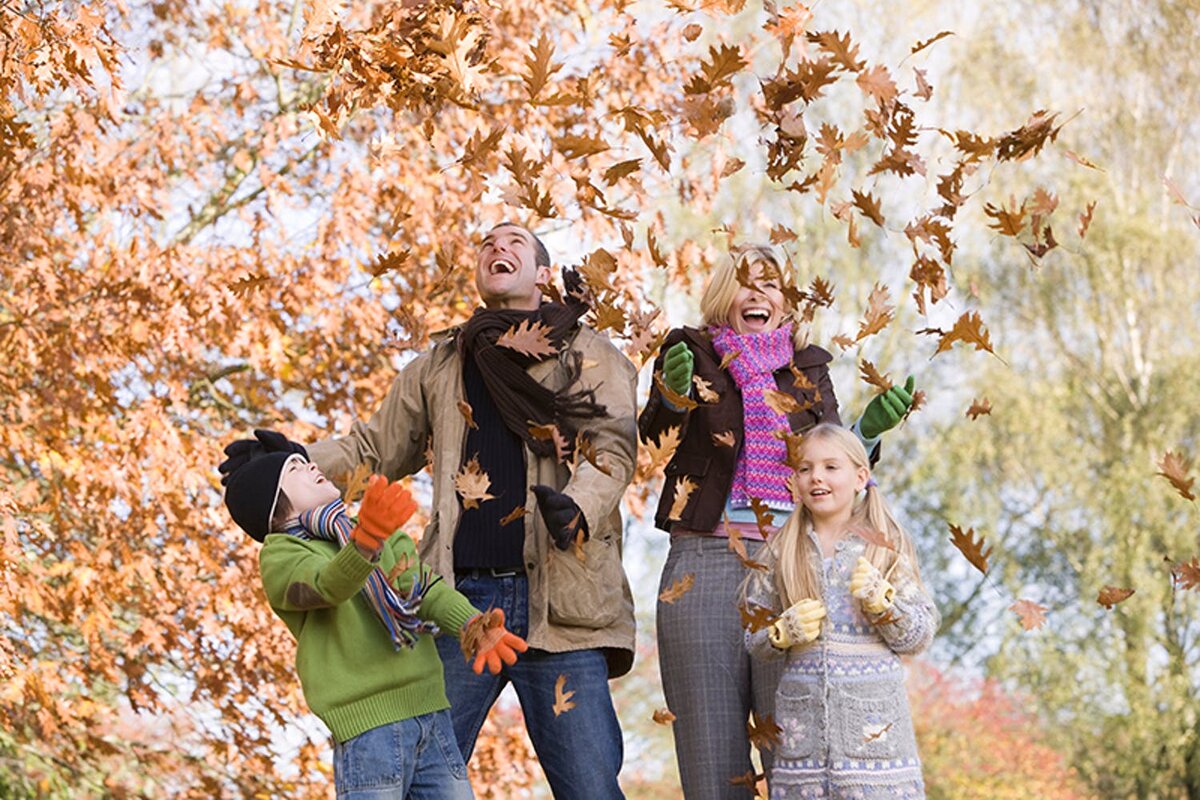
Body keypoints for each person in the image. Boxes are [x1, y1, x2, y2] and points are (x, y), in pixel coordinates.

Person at [301, 222, 639, 799]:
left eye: (513, 243)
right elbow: (371, 449)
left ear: (541, 273)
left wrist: (577, 507)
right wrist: (288, 461)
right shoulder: (441, 363)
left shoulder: (587, 353)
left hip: (561, 606)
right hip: (458, 606)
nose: (495, 249)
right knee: (418, 784)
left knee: (590, 789)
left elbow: (612, 445)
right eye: (486, 244)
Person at [638, 245, 916, 798]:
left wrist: (866, 432)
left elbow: (833, 460)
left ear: (785, 300)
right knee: (711, 760)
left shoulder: (808, 368)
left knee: (797, 752)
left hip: (791, 568)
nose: (758, 293)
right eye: (746, 282)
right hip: (702, 566)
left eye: (771, 283)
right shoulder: (689, 351)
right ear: (724, 294)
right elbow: (653, 438)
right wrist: (671, 395)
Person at [218, 428, 527, 799]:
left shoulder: (374, 533)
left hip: (432, 713)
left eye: (306, 460)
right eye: (295, 469)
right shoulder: (282, 558)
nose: (313, 467)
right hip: (369, 732)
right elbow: (327, 586)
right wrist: (365, 541)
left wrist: (471, 624)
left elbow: (424, 590)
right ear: (273, 507)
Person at [743, 422, 937, 798]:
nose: (817, 477)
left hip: (876, 755)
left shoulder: (884, 546)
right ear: (795, 481)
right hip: (804, 759)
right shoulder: (781, 552)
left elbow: (920, 633)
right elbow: (753, 635)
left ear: (860, 476)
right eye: (805, 468)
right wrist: (780, 633)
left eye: (831, 467)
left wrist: (885, 607)